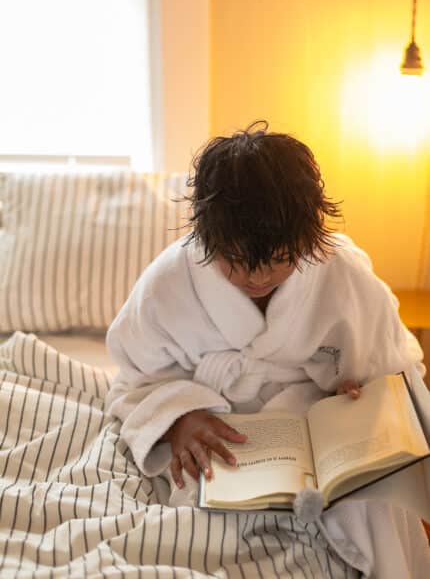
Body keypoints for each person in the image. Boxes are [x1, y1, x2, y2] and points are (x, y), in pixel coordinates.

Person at [105, 122, 429, 574]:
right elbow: (133, 379)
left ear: (309, 237)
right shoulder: (167, 284)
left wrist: (361, 393)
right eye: (235, 262)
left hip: (319, 434)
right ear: (206, 237)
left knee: (375, 509)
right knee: (197, 529)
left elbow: (396, 367)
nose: (258, 279)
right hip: (221, 427)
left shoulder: (343, 273)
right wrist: (178, 419)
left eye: (281, 259)